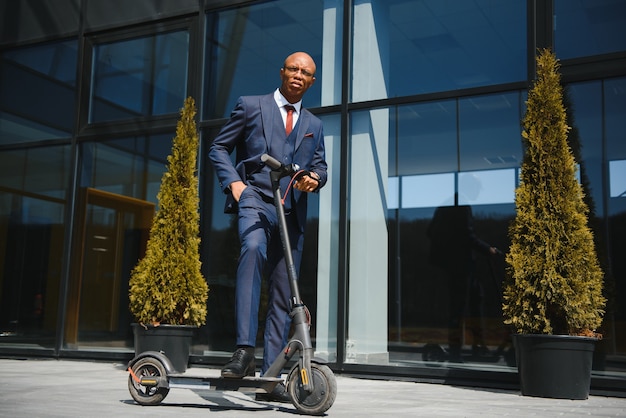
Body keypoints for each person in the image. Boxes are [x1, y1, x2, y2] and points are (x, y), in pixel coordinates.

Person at [208, 52, 327, 401]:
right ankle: (243, 350)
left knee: (282, 292)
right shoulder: (251, 105)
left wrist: (315, 180)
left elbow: (319, 166)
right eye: (293, 69)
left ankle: (271, 376)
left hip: (291, 215)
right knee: (253, 249)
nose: (298, 75)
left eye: (305, 73)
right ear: (282, 72)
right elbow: (218, 147)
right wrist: (236, 185)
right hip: (256, 201)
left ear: (311, 82)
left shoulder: (314, 125)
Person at [427, 196, 499, 362]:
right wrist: (487, 249)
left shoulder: (445, 206)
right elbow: (467, 235)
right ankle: (460, 349)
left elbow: (430, 231)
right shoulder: (460, 206)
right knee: (461, 307)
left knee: (470, 302)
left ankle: (471, 347)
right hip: (461, 266)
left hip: (455, 265)